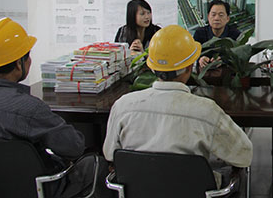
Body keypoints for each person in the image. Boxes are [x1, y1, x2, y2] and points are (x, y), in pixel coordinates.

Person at [103, 25, 253, 187]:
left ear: (152, 67)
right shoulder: (206, 111)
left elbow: (110, 154)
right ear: (189, 67)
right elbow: (244, 155)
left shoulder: (123, 106)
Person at [0, 17, 101, 198]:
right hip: (40, 188)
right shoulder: (29, 109)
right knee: (96, 164)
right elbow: (74, 148)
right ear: (18, 64)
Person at [194, 0, 241, 70]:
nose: (216, 18)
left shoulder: (235, 34)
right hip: (204, 72)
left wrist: (224, 60)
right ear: (208, 17)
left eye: (221, 15)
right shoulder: (200, 33)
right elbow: (193, 54)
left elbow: (239, 57)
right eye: (213, 15)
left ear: (227, 18)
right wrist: (200, 59)